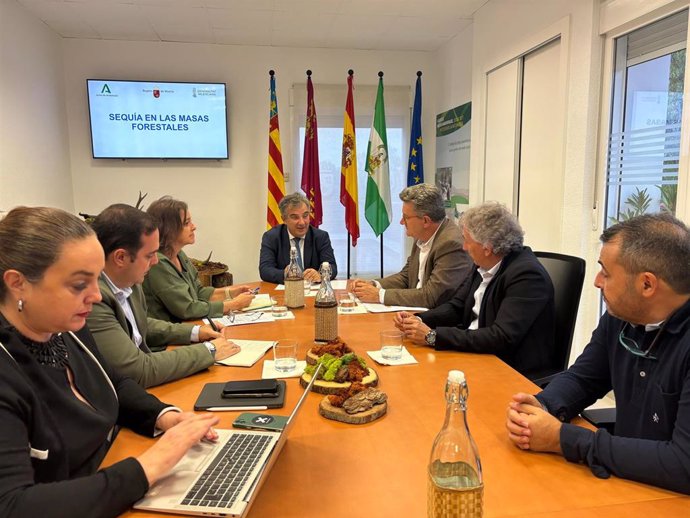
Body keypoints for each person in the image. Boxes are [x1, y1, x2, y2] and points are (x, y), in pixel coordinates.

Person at [0, 206, 222, 517]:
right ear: (18, 283)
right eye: (79, 284)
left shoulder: (62, 327)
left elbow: (112, 381)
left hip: (112, 475)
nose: (95, 294)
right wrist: (152, 465)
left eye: (96, 279)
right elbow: (13, 505)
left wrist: (165, 416)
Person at [506, 213, 690, 495]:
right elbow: (584, 378)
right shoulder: (623, 316)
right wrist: (543, 407)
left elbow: (683, 465)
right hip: (628, 482)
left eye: (606, 272)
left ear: (647, 285)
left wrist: (562, 439)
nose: (597, 281)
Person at [395, 201, 554, 378]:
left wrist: (433, 336)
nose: (464, 247)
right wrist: (418, 320)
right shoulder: (483, 264)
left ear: (487, 248)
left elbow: (500, 337)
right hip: (475, 355)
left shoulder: (527, 276)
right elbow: (456, 307)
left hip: (507, 369)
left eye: (467, 241)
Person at [87, 204, 240, 388]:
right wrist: (209, 350)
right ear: (121, 258)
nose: (156, 261)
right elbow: (138, 371)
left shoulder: (130, 281)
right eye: (149, 255)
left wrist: (195, 333)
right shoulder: (93, 300)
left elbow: (141, 324)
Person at [351, 184, 471, 308]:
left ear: (425, 221)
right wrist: (374, 285)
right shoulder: (422, 236)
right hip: (414, 312)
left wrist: (379, 295)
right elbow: (406, 276)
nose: (401, 222)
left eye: (406, 217)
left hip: (436, 320)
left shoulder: (451, 244)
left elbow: (431, 297)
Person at [143, 196, 254, 322]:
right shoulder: (158, 263)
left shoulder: (179, 254)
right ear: (169, 229)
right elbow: (187, 309)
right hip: (170, 336)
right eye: (186, 223)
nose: (193, 227)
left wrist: (231, 293)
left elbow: (198, 292)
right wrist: (235, 304)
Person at [259, 192, 337, 284]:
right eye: (295, 217)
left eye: (305, 216)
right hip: (286, 292)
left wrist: (320, 274)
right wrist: (286, 274)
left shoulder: (320, 237)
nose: (302, 222)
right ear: (284, 219)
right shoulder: (272, 237)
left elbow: (332, 267)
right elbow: (265, 270)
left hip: (313, 291)